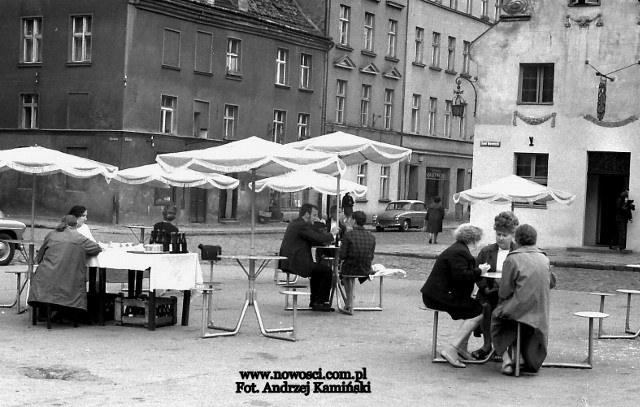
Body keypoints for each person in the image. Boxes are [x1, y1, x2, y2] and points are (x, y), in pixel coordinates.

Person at [420, 223, 489, 368]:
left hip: (439, 294)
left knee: (476, 307)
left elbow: (461, 275)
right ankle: (452, 348)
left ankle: (461, 348)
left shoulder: (459, 249)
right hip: (438, 296)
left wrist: (478, 272)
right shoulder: (460, 252)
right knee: (479, 311)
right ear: (473, 239)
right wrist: (480, 271)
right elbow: (462, 276)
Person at [491, 224, 557, 376]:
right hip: (540, 311)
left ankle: (506, 359)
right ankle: (520, 356)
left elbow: (504, 291)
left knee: (496, 317)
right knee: (514, 317)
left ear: (517, 239)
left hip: (520, 309)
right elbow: (552, 282)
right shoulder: (543, 258)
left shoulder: (513, 258)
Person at [27, 215, 102, 319]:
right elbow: (96, 249)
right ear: (75, 226)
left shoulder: (51, 235)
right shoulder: (79, 238)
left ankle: (47, 312)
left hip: (45, 280)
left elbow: (39, 257)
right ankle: (66, 313)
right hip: (68, 284)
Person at [471, 211, 519, 360]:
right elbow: (477, 272)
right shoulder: (487, 251)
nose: (500, 238)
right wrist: (485, 287)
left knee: (507, 310)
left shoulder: (517, 252)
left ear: (512, 235)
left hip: (510, 294)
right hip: (489, 291)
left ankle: (505, 347)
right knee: (486, 307)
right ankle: (487, 345)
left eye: (504, 235)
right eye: (498, 234)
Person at [279, 203, 339, 312]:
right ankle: (319, 302)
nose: (316, 218)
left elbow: (313, 238)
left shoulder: (296, 223)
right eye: (314, 215)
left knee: (318, 271)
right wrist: (331, 234)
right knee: (326, 271)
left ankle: (315, 301)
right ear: (307, 214)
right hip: (296, 262)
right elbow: (318, 238)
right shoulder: (302, 225)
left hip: (290, 260)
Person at [339, 211, 376, 309]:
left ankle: (349, 301)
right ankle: (350, 299)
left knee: (344, 275)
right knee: (348, 271)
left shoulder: (349, 235)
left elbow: (342, 255)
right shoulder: (371, 236)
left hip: (350, 268)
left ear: (354, 221)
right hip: (365, 268)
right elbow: (371, 255)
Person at [610, 188, 634, 254]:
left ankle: (615, 245)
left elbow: (628, 210)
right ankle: (621, 247)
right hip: (620, 219)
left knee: (620, 233)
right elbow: (619, 208)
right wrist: (625, 204)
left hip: (624, 219)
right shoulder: (619, 200)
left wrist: (630, 217)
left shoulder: (625, 201)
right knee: (621, 233)